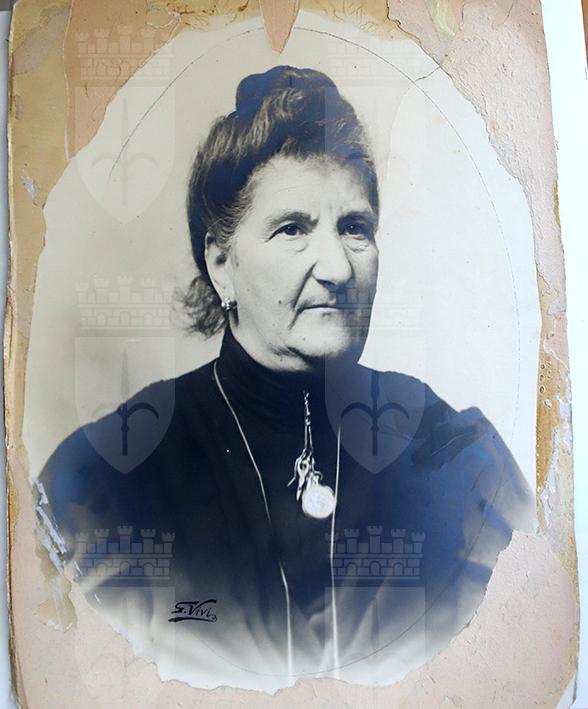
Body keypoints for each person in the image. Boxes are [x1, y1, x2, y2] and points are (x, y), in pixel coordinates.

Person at [36, 66, 534, 690]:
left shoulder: (449, 453)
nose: (337, 269)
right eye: (293, 228)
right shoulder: (109, 479)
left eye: (354, 228)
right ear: (221, 262)